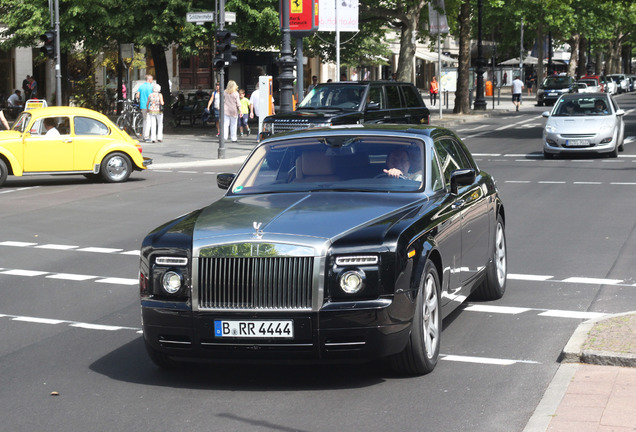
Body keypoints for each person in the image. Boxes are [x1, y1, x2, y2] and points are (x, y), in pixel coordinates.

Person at [136, 74, 154, 141]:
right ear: (149, 80)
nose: (152, 80)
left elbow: (137, 95)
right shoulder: (151, 87)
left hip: (143, 105)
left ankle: (144, 135)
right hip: (149, 105)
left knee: (144, 120)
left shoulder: (141, 86)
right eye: (152, 79)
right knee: (148, 121)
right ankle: (146, 137)